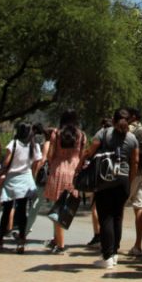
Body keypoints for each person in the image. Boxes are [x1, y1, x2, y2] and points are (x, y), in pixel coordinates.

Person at [84, 109, 140, 270]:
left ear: (114, 120)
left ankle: (107, 256)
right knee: (117, 216)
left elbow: (90, 151)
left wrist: (81, 163)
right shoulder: (132, 138)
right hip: (123, 180)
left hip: (105, 179)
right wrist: (129, 181)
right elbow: (135, 162)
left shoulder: (104, 133)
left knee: (106, 217)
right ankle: (114, 254)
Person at [0, 123, 43, 253]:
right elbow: (37, 163)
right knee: (22, 211)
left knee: (7, 209)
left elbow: (7, 162)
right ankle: (21, 239)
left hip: (12, 179)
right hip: (26, 179)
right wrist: (33, 176)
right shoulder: (34, 145)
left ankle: (0, 237)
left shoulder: (14, 144)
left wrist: (0, 171)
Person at [43, 109, 86, 254]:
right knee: (64, 209)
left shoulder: (56, 134)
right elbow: (82, 155)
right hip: (73, 173)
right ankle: (56, 240)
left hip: (57, 171)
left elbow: (50, 155)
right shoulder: (81, 135)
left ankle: (60, 245)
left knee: (57, 209)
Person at [126, 107, 142, 257]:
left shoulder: (127, 131)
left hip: (130, 173)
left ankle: (113, 244)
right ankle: (138, 245)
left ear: (133, 116)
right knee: (139, 208)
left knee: (118, 208)